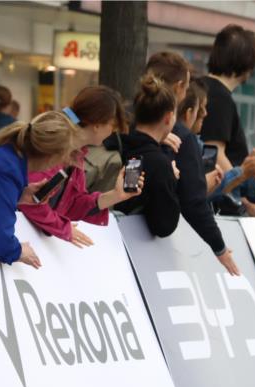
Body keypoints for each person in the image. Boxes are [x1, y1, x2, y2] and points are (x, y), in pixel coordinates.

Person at [146, 51, 240, 276]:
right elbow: (193, 202)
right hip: (152, 235)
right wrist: (220, 247)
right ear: (179, 88)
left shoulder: (129, 122)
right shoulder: (182, 137)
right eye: (187, 88)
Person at [18, 86, 140, 247]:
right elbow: (28, 201)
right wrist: (63, 227)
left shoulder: (75, 153)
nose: (112, 132)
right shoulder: (53, 144)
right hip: (17, 238)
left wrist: (116, 195)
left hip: (27, 240)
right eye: (112, 125)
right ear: (97, 125)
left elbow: (72, 204)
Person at [0, 111, 80, 268]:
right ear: (51, 157)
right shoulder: (7, 168)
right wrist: (19, 251)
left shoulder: (7, 147)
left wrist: (20, 195)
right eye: (64, 157)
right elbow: (2, 243)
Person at [199, 24, 255, 221]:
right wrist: (247, 200)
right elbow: (215, 153)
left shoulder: (205, 89)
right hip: (221, 208)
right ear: (247, 62)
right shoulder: (219, 97)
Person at [110, 74, 182, 237]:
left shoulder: (116, 142)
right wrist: (171, 180)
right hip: (127, 247)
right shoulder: (159, 163)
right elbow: (164, 227)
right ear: (168, 117)